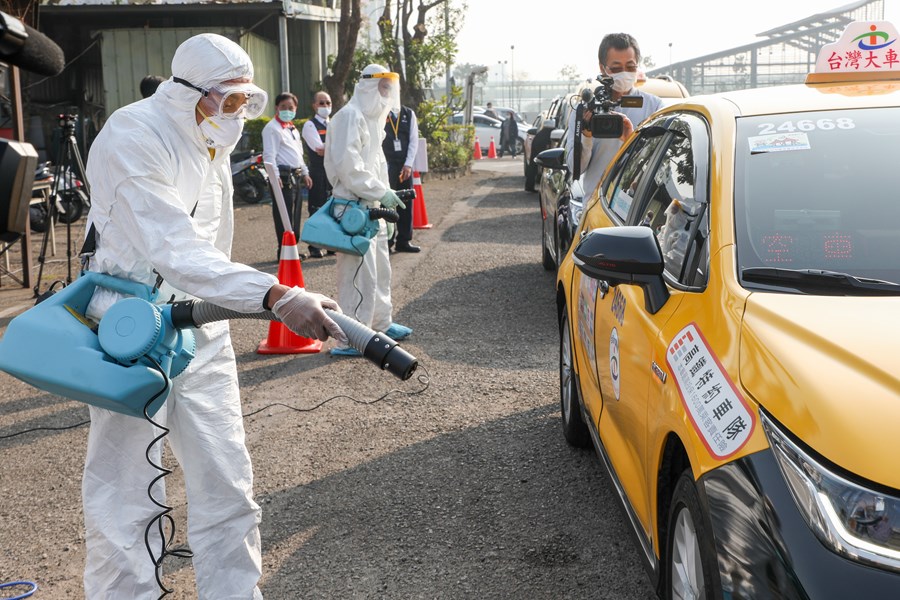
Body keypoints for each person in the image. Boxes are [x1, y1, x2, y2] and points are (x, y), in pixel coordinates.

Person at [80, 33, 344, 598]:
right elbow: (174, 247)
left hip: (201, 326)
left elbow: (211, 248)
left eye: (244, 101)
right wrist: (276, 296)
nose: (236, 114)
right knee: (125, 495)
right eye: (225, 100)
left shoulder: (211, 138)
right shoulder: (133, 135)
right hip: (128, 330)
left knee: (227, 484)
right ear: (184, 92)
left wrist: (253, 296)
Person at [324, 64, 414, 356]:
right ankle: (352, 336)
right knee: (358, 276)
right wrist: (381, 193)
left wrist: (385, 197)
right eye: (382, 87)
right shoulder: (348, 117)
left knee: (380, 269)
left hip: (372, 206)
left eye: (389, 88)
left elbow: (378, 167)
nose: (386, 94)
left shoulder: (373, 121)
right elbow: (350, 169)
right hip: (352, 205)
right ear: (366, 86)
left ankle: (381, 323)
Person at [566, 32, 663, 201]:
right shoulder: (585, 110)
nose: (624, 73)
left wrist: (630, 141)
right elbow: (575, 169)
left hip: (637, 207)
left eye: (631, 67)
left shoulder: (654, 107)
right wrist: (586, 137)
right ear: (602, 67)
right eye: (616, 68)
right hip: (595, 206)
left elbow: (659, 165)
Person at [262, 92, 313, 260]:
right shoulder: (272, 129)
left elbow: (298, 153)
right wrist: (274, 178)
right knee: (283, 215)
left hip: (296, 176)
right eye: (283, 107)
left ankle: (293, 249)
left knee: (295, 214)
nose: (287, 110)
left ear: (295, 109)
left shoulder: (291, 128)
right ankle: (283, 252)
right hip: (282, 177)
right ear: (276, 108)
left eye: (290, 107)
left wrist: (305, 172)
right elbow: (269, 155)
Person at [382, 104, 420, 253]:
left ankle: (404, 240)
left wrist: (408, 164)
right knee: (386, 203)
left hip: (404, 166)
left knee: (406, 203)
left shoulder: (408, 113)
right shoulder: (381, 111)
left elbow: (413, 140)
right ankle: (387, 241)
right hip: (387, 165)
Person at [301, 90, 334, 258]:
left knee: (333, 208)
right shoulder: (310, 125)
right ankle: (314, 246)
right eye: (322, 103)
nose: (325, 106)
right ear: (314, 105)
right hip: (318, 171)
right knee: (317, 209)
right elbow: (319, 150)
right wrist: (337, 148)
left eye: (328, 103)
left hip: (333, 172)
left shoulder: (333, 124)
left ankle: (330, 244)